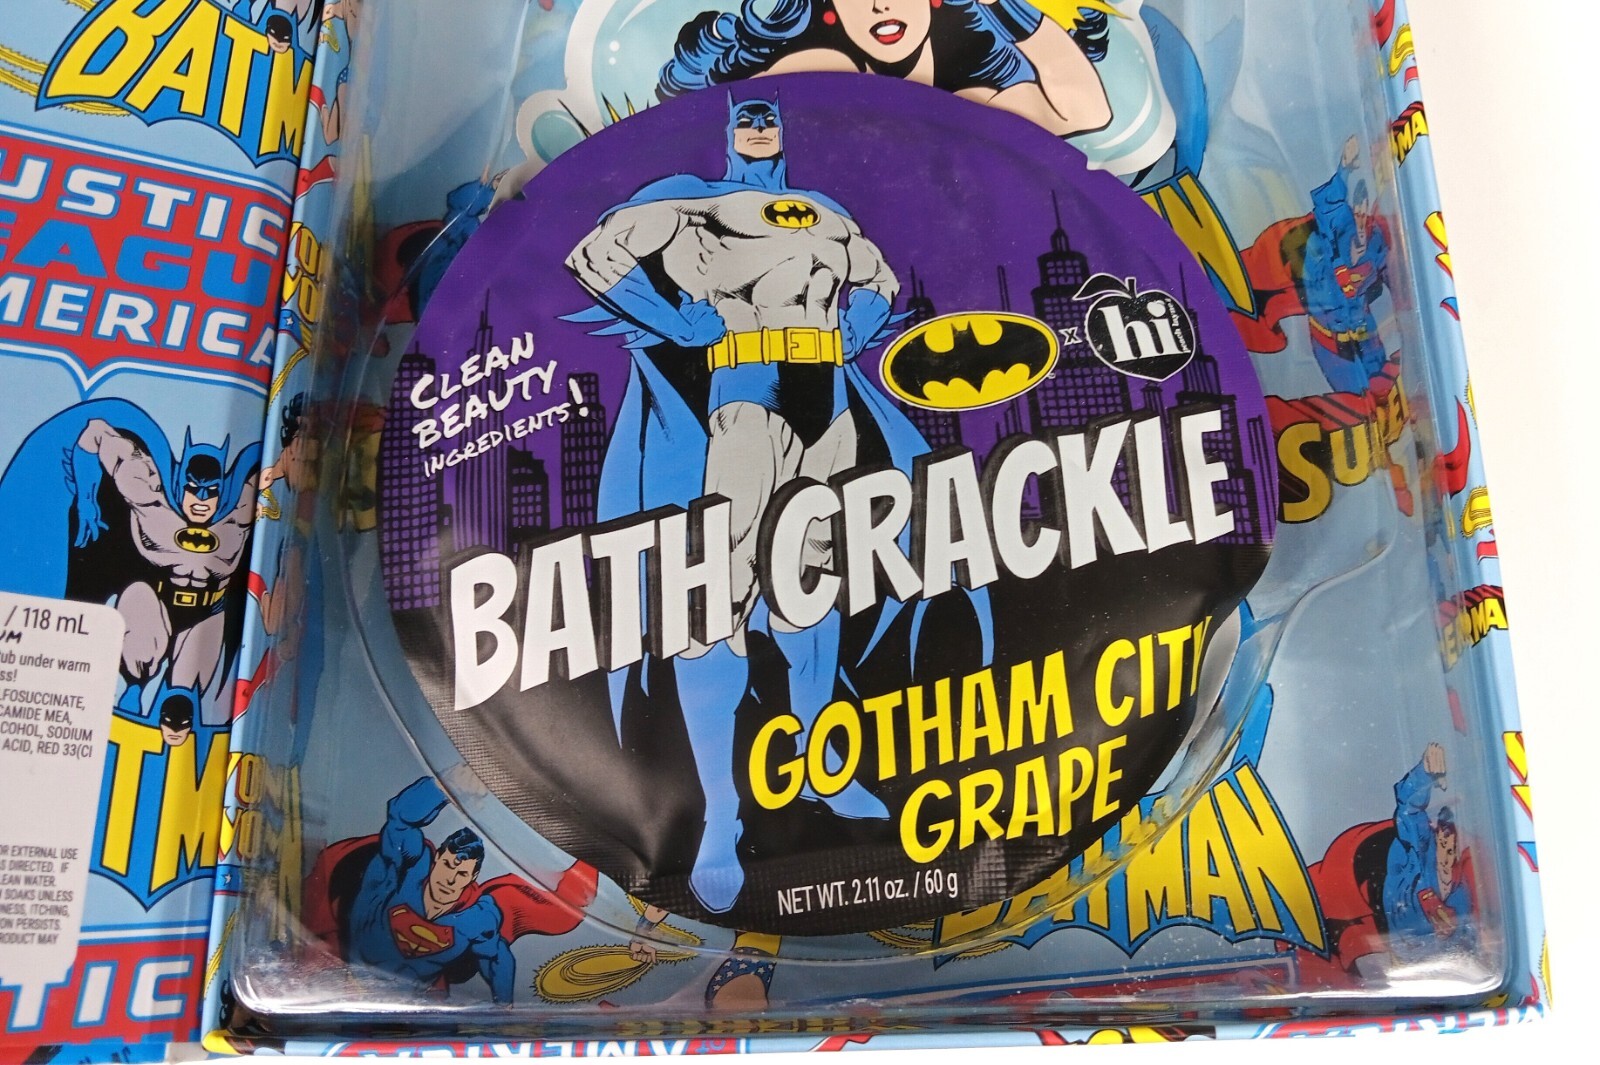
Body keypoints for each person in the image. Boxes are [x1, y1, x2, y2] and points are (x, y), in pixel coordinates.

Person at [566, 95, 944, 913]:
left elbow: (878, 280)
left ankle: (821, 770)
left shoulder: (828, 212)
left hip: (830, 403)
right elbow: (594, 255)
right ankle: (720, 817)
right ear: (730, 128)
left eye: (772, 119)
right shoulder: (697, 204)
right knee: (720, 605)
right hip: (747, 395)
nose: (762, 127)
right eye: (749, 118)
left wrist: (858, 327)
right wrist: (674, 321)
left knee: (814, 596)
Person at [659, 0, 1113, 138]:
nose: (880, 5)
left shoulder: (972, 68)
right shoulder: (816, 67)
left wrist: (1003, 5)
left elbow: (1085, 113)